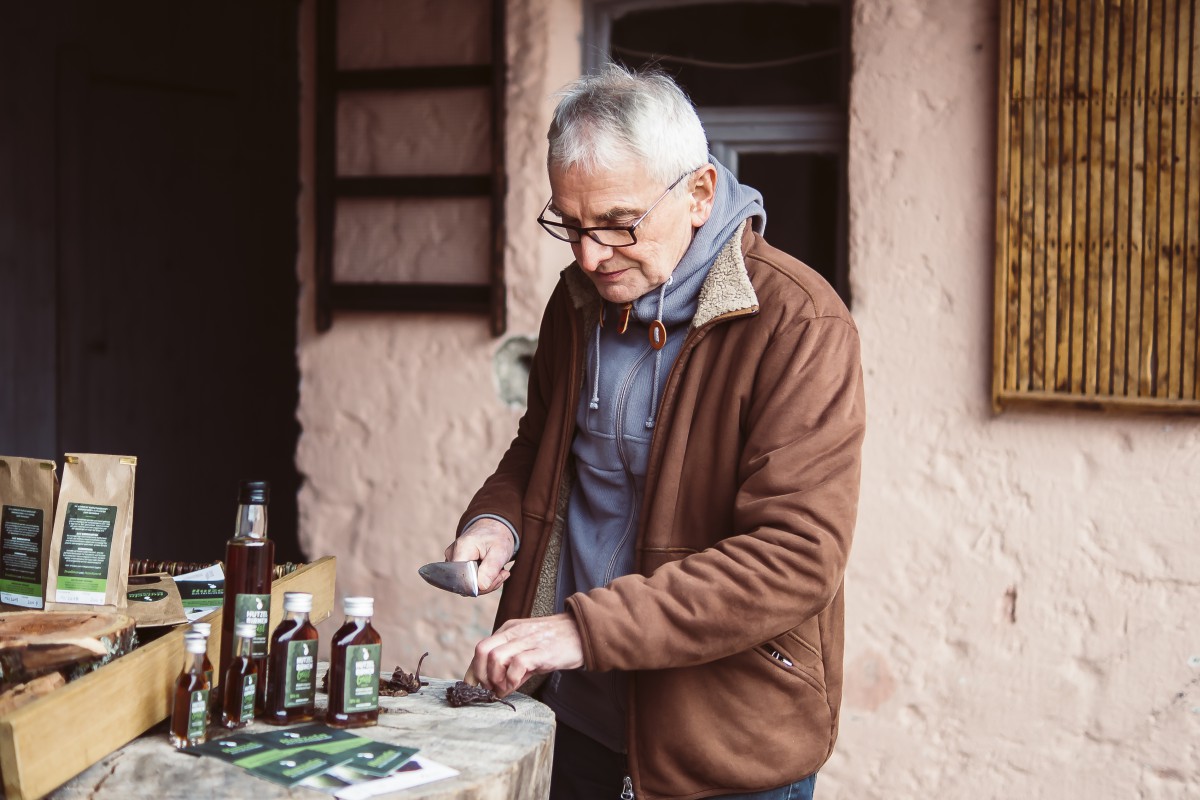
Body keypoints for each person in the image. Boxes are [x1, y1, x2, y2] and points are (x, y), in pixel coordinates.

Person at [443, 63, 865, 800]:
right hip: (571, 717)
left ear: (699, 193)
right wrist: (496, 523)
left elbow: (795, 557)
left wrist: (586, 629)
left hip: (723, 749)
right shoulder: (578, 298)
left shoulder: (800, 323)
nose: (588, 255)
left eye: (616, 224)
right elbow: (540, 446)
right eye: (569, 225)